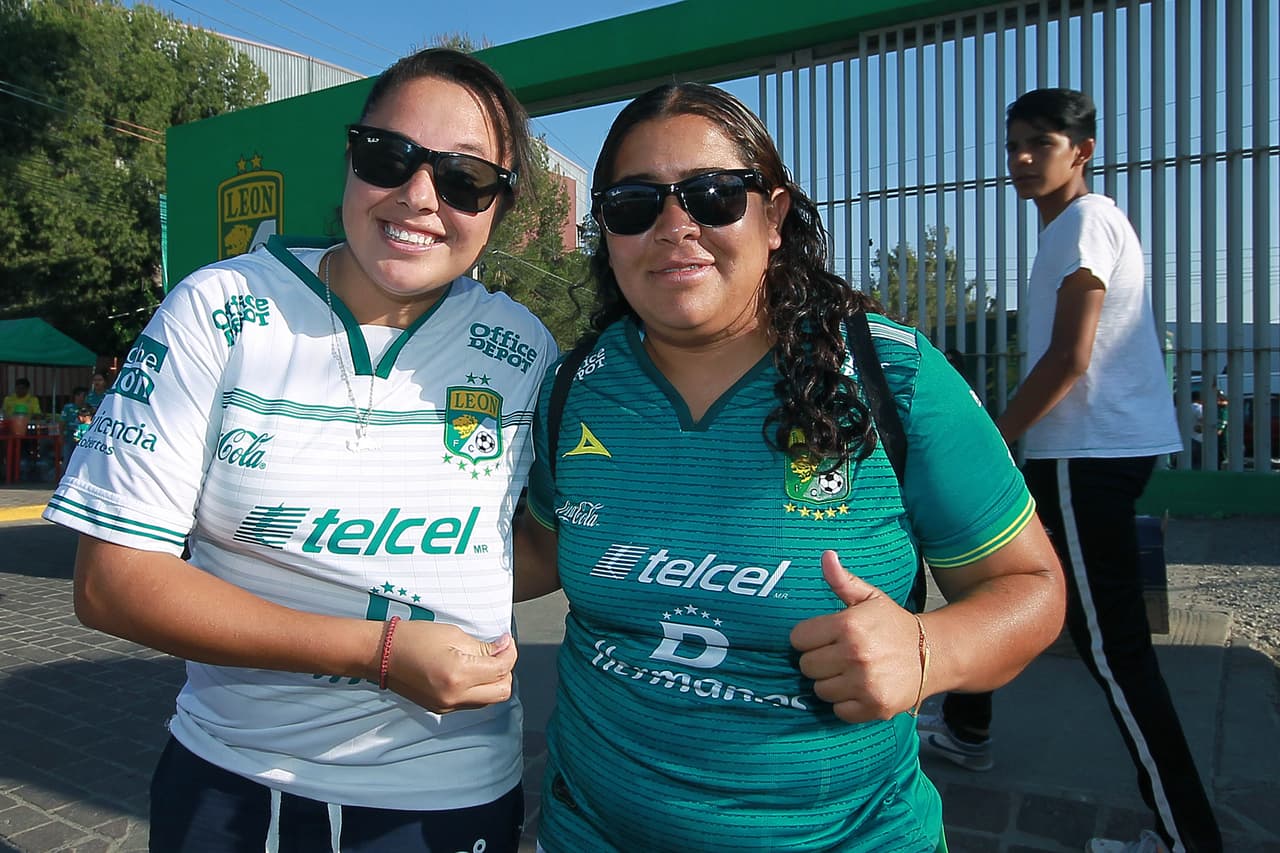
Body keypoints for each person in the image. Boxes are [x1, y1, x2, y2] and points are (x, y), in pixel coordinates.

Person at [514, 82, 1065, 852]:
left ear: (773, 216)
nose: (676, 226)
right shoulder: (576, 387)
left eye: (711, 195)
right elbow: (537, 551)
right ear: (605, 229)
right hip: (589, 831)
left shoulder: (894, 379)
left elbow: (1033, 588)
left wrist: (927, 652)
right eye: (635, 203)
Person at [44, 48, 556, 853]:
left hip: (450, 793)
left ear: (500, 206)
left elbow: (547, 541)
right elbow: (112, 583)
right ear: (351, 158)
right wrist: (380, 649)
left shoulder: (525, 347)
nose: (419, 197)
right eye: (390, 157)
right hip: (234, 778)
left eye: (464, 180)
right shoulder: (219, 308)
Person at [916, 88, 1221, 853]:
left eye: (1039, 144)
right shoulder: (1071, 226)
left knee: (1114, 650)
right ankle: (966, 726)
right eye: (1013, 143)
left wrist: (996, 435)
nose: (1020, 158)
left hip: (1087, 454)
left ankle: (1188, 838)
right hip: (1082, 450)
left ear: (1079, 151)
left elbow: (1070, 356)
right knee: (998, 577)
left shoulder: (1084, 221)